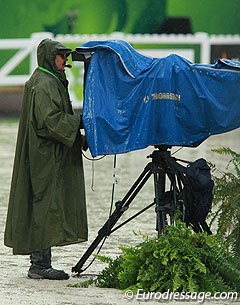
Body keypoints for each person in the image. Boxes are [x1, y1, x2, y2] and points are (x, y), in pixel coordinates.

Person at [4, 38, 88, 280]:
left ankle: (40, 263)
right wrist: (79, 123)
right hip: (45, 156)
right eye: (61, 56)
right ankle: (40, 265)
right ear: (50, 57)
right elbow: (50, 121)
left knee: (46, 203)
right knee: (44, 204)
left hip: (48, 153)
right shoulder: (44, 84)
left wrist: (76, 135)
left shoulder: (49, 80)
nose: (65, 60)